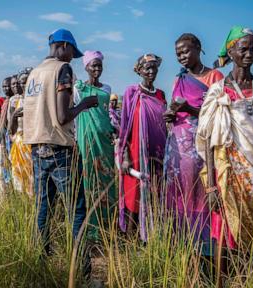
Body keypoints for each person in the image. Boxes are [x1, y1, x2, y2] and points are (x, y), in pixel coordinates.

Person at [23, 29, 98, 256]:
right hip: (61, 151)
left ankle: (42, 260)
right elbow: (63, 116)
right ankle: (82, 269)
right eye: (71, 52)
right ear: (63, 45)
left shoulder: (33, 74)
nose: (70, 58)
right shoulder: (62, 69)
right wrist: (86, 103)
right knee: (76, 210)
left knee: (43, 208)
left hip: (37, 150)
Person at [196, 27, 253, 269]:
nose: (249, 53)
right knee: (225, 229)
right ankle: (224, 279)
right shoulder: (219, 91)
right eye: (243, 48)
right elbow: (210, 142)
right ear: (230, 51)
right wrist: (211, 185)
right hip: (228, 174)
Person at [163, 34, 223, 256]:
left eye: (186, 51)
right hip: (178, 151)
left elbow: (218, 114)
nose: (181, 57)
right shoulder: (178, 79)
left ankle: (206, 250)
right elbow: (174, 107)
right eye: (178, 53)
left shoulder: (214, 76)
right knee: (180, 196)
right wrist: (171, 114)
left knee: (203, 194)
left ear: (198, 48)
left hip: (203, 148)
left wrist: (189, 110)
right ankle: (183, 248)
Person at [119, 54, 167, 240]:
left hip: (158, 152)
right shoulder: (132, 92)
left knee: (155, 192)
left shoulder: (161, 94)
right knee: (134, 195)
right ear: (139, 70)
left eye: (154, 67)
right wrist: (124, 156)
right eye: (147, 68)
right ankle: (131, 240)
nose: (151, 71)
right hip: (136, 152)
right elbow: (124, 127)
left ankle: (152, 237)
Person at [74, 50, 116, 242]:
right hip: (86, 139)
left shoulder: (107, 89)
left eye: (99, 65)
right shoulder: (78, 88)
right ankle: (91, 230)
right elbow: (74, 111)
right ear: (86, 67)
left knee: (107, 181)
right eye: (93, 65)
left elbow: (106, 114)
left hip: (105, 140)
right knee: (89, 181)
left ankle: (108, 226)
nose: (97, 68)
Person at [8, 70, 33, 196]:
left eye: (28, 81)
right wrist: (14, 116)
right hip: (19, 143)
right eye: (22, 82)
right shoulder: (14, 101)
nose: (25, 84)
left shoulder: (36, 99)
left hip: (33, 144)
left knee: (32, 179)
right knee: (19, 178)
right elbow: (10, 129)